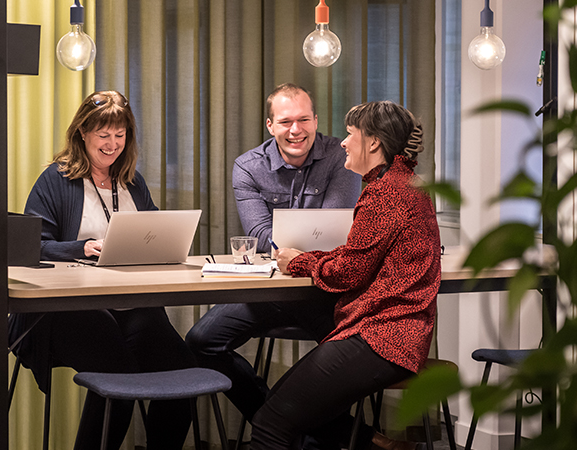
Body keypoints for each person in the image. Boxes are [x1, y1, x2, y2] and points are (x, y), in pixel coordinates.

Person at [8, 91, 197, 450]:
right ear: (83, 133)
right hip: (68, 308)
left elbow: (154, 232)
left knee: (183, 371)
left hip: (131, 303)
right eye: (103, 135)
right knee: (120, 379)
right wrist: (81, 248)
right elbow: (30, 245)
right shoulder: (56, 180)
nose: (113, 144)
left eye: (120, 135)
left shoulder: (133, 182)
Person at [250, 101, 442, 450]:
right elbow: (360, 256)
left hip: (382, 337)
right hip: (400, 333)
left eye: (351, 134)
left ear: (372, 143)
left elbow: (348, 271)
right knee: (290, 411)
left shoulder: (386, 194)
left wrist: (298, 262)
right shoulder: (405, 184)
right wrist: (310, 258)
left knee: (269, 423)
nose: (342, 142)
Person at [185, 84, 361, 422]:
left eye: (303, 120)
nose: (296, 130)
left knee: (352, 353)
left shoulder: (341, 157)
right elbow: (259, 234)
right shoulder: (248, 166)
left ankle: (289, 431)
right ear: (270, 125)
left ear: (316, 120)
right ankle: (275, 422)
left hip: (324, 290)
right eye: (285, 122)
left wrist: (296, 251)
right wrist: (298, 248)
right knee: (200, 341)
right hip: (271, 289)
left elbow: (337, 232)